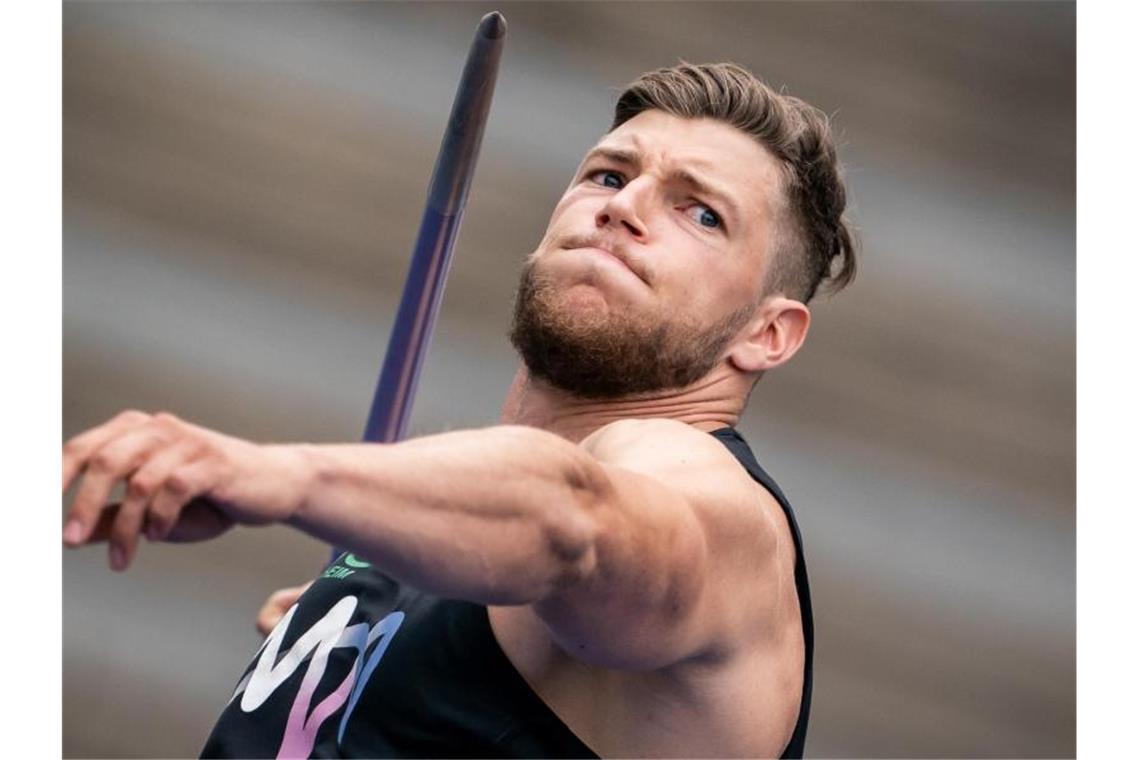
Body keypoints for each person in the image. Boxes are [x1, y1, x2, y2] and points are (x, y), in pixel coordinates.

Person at [62, 62, 856, 759]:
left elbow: (573, 516)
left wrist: (278, 474)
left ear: (768, 332)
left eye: (700, 212)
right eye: (609, 176)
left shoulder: (721, 512)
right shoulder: (441, 550)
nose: (623, 207)